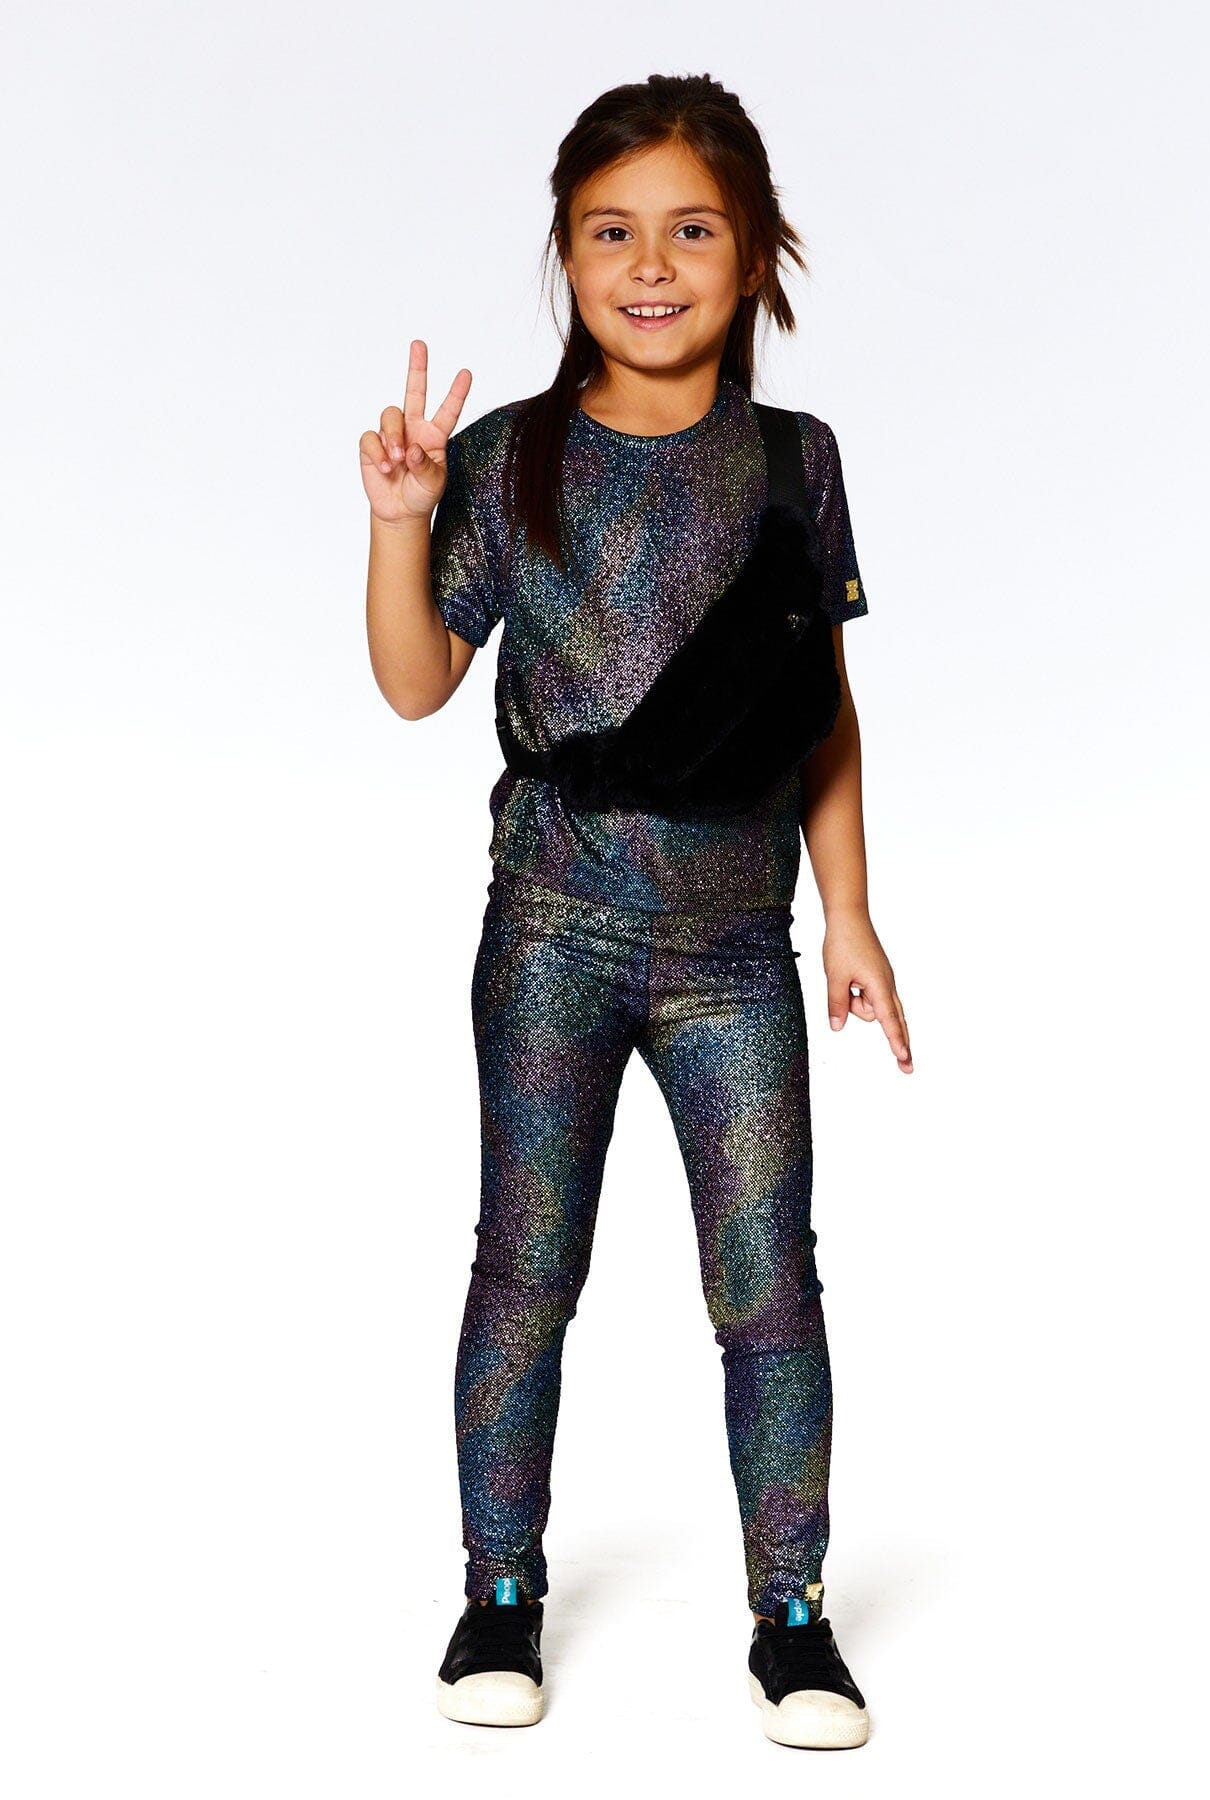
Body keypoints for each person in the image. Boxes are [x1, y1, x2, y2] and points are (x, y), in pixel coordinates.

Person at [363, 72, 912, 1751]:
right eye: (612, 233)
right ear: (566, 252)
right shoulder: (508, 461)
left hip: (737, 953)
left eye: (691, 232)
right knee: (526, 1266)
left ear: (754, 258)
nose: (651, 265)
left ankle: (792, 1616)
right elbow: (414, 684)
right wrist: (398, 526)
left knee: (769, 1285)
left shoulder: (794, 463)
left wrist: (852, 916)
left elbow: (819, 710)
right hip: (551, 933)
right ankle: (498, 1590)